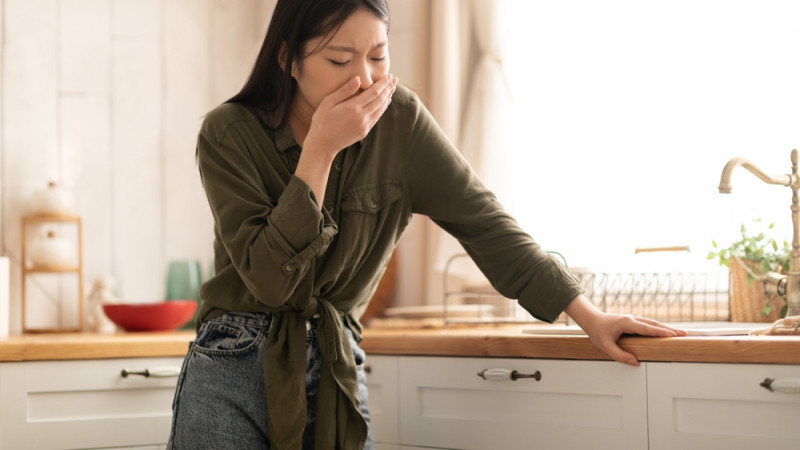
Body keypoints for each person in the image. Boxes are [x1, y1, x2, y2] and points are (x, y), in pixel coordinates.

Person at [167, 0, 686, 448]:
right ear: (288, 59)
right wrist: (321, 150)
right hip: (234, 361)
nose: (366, 79)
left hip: (335, 361)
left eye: (378, 56)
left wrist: (588, 315)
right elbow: (269, 279)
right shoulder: (227, 132)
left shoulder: (403, 122)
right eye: (339, 59)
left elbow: (484, 221)